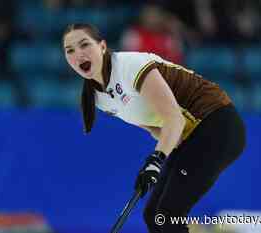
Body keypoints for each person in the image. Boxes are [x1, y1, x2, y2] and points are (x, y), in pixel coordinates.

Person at [62, 23, 246, 233]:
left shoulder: (128, 65)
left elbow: (174, 120)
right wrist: (156, 164)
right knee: (154, 217)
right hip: (192, 137)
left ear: (102, 46)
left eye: (84, 45)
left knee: (167, 215)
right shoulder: (100, 99)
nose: (79, 54)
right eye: (70, 50)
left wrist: (155, 161)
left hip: (218, 124)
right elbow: (157, 129)